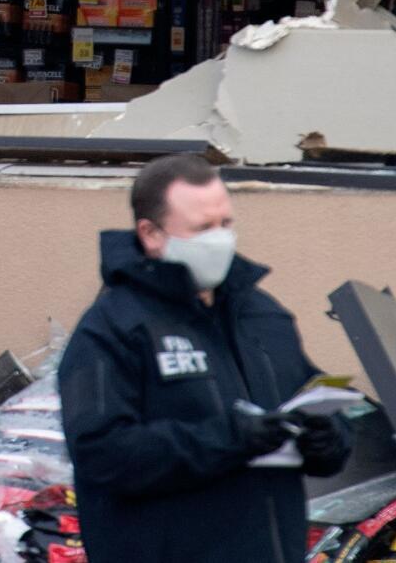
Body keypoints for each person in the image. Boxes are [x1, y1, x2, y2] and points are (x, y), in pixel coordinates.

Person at [57, 153, 351, 563]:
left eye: (225, 224)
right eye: (202, 228)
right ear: (151, 234)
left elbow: (309, 398)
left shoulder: (262, 314)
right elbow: (103, 455)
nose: (220, 239)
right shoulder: (113, 327)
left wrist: (329, 438)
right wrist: (231, 439)